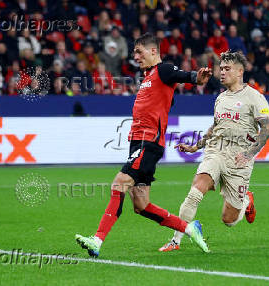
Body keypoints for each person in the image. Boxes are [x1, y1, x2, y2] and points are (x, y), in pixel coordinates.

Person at [75, 33, 212, 258]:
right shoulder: (149, 77)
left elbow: (187, 76)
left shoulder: (164, 70)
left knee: (119, 184)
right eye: (134, 53)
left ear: (153, 51)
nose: (135, 56)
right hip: (138, 143)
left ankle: (97, 240)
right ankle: (189, 228)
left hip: (148, 142)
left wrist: (198, 75)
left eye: (139, 52)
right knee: (141, 204)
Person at [159, 51, 269, 252]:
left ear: (240, 72)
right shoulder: (220, 98)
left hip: (239, 159)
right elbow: (215, 128)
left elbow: (267, 129)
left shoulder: (255, 97)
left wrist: (249, 154)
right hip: (216, 151)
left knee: (228, 220)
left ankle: (246, 200)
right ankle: (176, 240)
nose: (222, 72)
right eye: (221, 68)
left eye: (227, 69)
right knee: (197, 189)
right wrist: (196, 146)